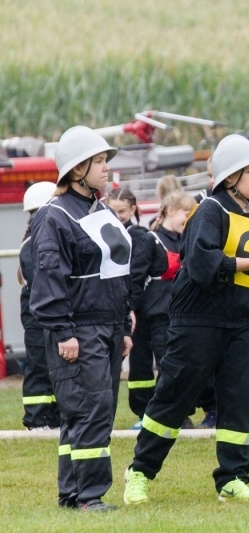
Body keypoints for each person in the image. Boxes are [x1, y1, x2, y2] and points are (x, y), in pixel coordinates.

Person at [122, 134, 249, 504]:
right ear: (229, 177)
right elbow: (202, 264)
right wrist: (245, 265)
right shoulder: (210, 211)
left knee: (241, 400)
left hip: (245, 320)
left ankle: (232, 479)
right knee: (174, 396)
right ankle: (139, 471)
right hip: (197, 320)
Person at [29, 126, 133, 511]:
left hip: (107, 327)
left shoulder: (99, 208)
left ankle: (73, 494)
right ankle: (90, 497)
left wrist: (122, 326)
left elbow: (117, 272)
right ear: (77, 170)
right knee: (91, 410)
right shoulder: (54, 217)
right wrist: (63, 332)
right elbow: (48, 278)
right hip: (78, 329)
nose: (106, 168)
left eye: (106, 161)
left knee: (88, 412)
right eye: (100, 162)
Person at [127, 191, 196, 429]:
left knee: (184, 366)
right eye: (186, 214)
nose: (189, 220)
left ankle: (179, 412)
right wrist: (131, 310)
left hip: (185, 315)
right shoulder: (151, 240)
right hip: (158, 315)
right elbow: (135, 278)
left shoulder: (187, 240)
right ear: (171, 211)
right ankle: (159, 414)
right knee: (167, 365)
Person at [19, 180, 60, 431]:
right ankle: (36, 418)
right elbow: (42, 283)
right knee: (38, 366)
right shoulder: (32, 244)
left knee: (52, 368)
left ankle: (52, 417)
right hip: (38, 317)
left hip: (46, 314)